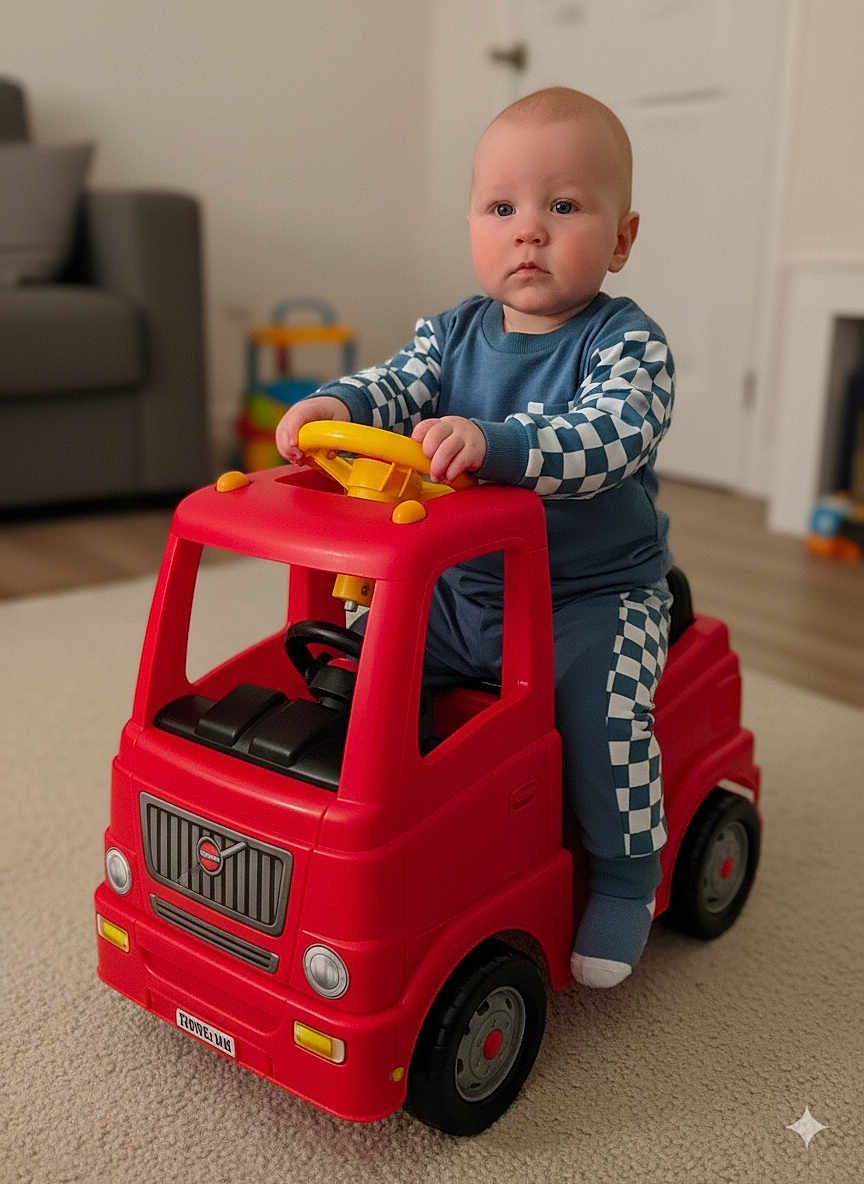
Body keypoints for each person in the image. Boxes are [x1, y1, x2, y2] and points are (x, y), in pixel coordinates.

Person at [276, 86, 675, 989]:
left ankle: (624, 873)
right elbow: (396, 384)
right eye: (503, 209)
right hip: (463, 593)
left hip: (593, 597)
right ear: (472, 227)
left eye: (563, 207)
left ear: (621, 238)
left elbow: (606, 442)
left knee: (602, 721)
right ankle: (369, 834)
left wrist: (496, 446)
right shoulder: (452, 334)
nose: (528, 231)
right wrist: (339, 404)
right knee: (366, 675)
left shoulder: (626, 346)